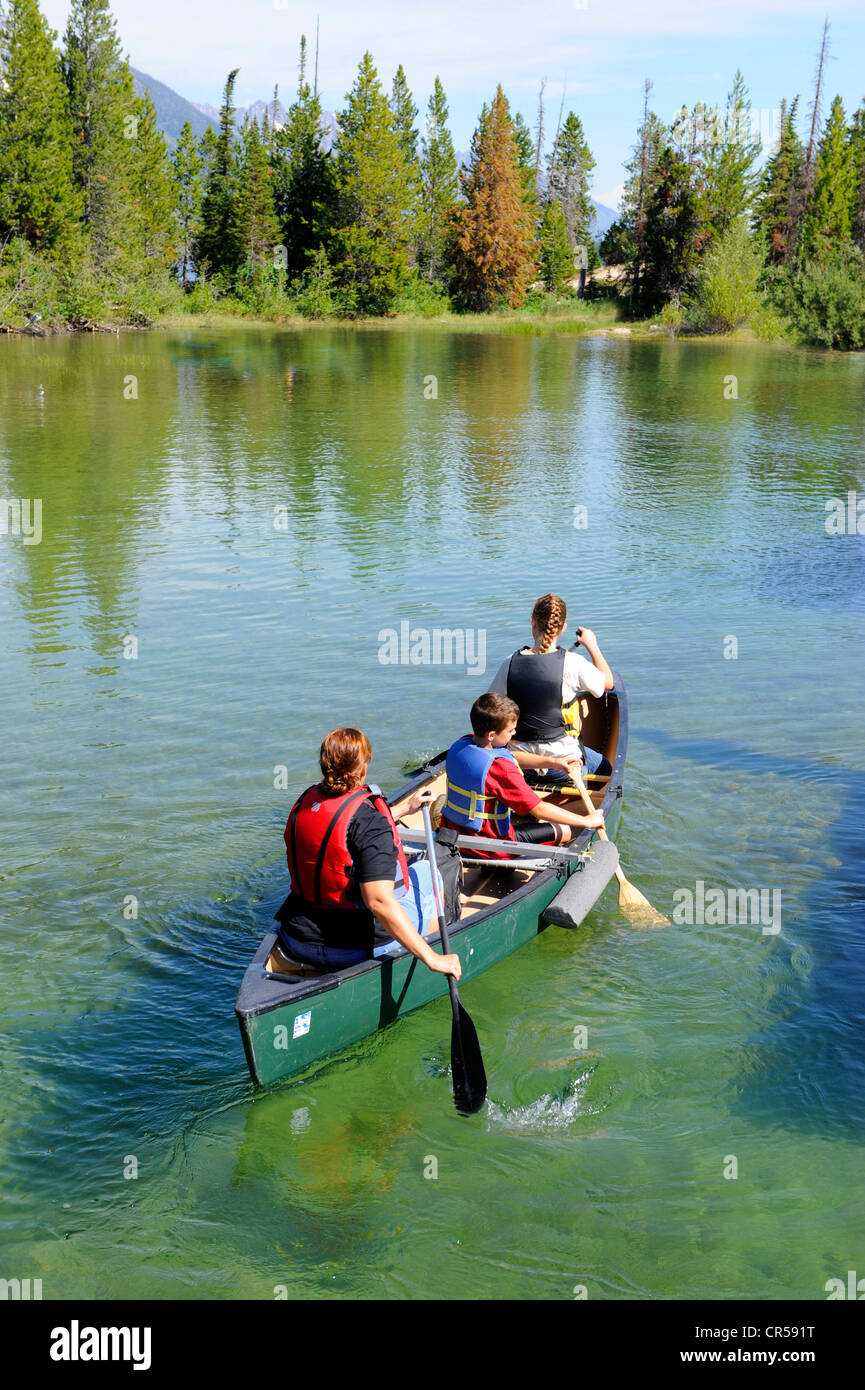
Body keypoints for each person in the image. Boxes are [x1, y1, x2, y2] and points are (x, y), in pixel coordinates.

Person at [276, 727, 461, 978]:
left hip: (296, 938)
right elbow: (378, 901)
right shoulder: (369, 821)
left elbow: (338, 835)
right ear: (363, 769)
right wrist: (433, 959)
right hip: (353, 948)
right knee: (431, 873)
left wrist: (404, 809)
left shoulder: (306, 802)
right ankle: (437, 937)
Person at [440, 693, 604, 859]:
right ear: (491, 735)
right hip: (490, 846)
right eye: (510, 730)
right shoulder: (502, 769)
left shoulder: (463, 744)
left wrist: (553, 762)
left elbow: (510, 756)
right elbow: (539, 810)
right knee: (565, 830)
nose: (514, 732)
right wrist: (587, 821)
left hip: (453, 834)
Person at [488, 592, 614, 781]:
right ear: (563, 627)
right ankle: (580, 802)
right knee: (604, 765)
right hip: (564, 765)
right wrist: (592, 645)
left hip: (520, 765)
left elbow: (489, 706)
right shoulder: (573, 662)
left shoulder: (510, 663)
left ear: (532, 621)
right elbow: (607, 683)